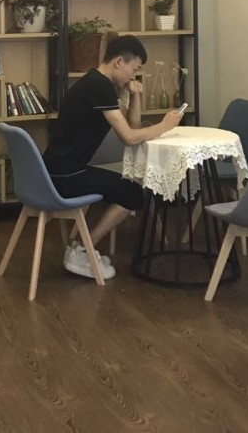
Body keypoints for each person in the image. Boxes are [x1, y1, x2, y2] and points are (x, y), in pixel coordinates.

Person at [44, 34, 185, 280]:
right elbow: (129, 137)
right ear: (119, 62)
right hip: (67, 175)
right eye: (134, 69)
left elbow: (133, 126)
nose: (133, 76)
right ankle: (83, 250)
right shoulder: (99, 87)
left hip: (58, 169)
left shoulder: (97, 83)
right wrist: (166, 125)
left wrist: (136, 95)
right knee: (132, 194)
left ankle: (81, 247)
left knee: (127, 189)